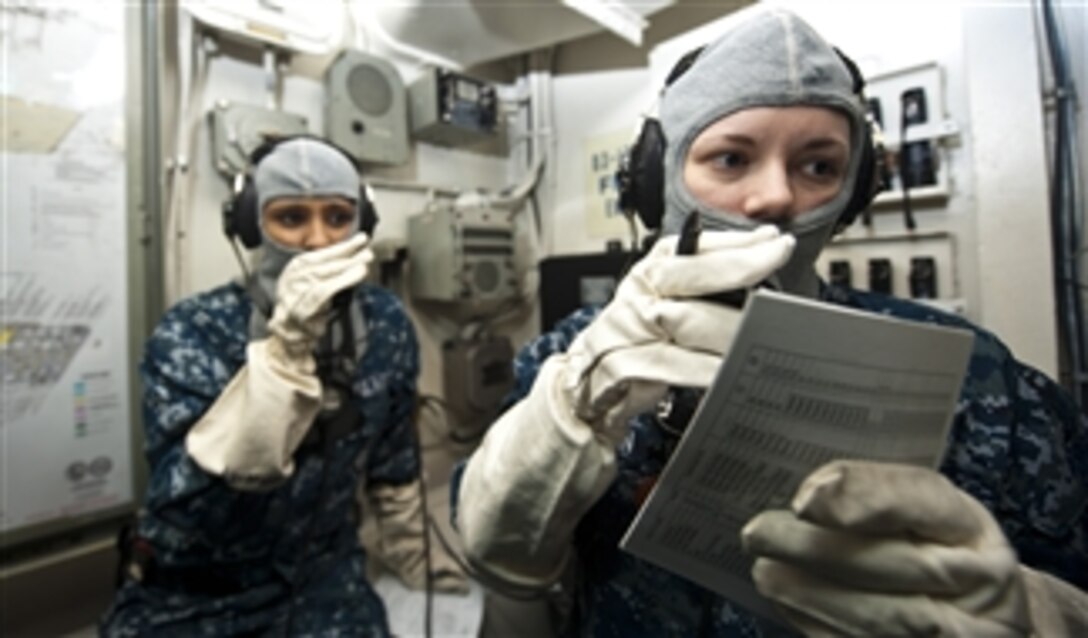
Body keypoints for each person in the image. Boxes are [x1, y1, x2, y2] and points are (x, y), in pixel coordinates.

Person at [452, 6, 1088, 636]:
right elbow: (501, 556)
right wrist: (566, 416)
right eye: (730, 159)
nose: (776, 197)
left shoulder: (977, 378)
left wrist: (1035, 610)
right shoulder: (575, 354)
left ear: (854, 189)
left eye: (819, 167)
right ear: (657, 179)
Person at [100, 137, 465, 637]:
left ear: (364, 222)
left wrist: (416, 554)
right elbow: (191, 507)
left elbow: (394, 463)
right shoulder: (194, 332)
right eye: (291, 218)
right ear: (251, 225)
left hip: (325, 578)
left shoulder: (384, 325)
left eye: (338, 217)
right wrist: (285, 351)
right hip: (197, 590)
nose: (318, 240)